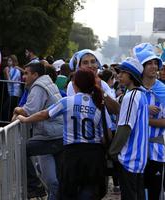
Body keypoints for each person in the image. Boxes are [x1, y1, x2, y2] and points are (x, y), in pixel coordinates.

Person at [17, 68, 112, 200]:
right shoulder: (99, 105)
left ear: (74, 84)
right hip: (93, 156)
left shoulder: (67, 101)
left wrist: (25, 119)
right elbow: (106, 135)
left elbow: (44, 114)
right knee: (89, 192)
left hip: (72, 155)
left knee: (69, 191)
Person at [13, 62, 63, 200]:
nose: (24, 77)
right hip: (59, 134)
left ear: (35, 75)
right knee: (55, 181)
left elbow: (28, 111)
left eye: (26, 73)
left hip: (50, 135)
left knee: (21, 149)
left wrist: (17, 109)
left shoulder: (38, 87)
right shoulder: (48, 83)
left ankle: (34, 186)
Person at [109, 57, 149, 200]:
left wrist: (113, 152)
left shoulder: (131, 96)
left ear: (131, 75)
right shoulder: (141, 95)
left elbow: (125, 127)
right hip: (139, 159)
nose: (119, 76)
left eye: (122, 73)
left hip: (129, 158)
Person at [133, 43, 165, 200]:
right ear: (141, 67)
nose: (154, 67)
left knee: (154, 193)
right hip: (135, 152)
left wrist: (145, 119)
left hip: (156, 151)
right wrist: (144, 111)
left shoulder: (163, 91)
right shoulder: (133, 90)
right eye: (149, 63)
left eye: (155, 63)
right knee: (137, 193)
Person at [67, 49, 120, 114]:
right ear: (79, 67)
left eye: (93, 62)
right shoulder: (72, 85)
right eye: (85, 63)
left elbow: (116, 110)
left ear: (97, 64)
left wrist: (100, 91)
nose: (90, 66)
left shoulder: (102, 84)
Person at [2, 55, 22, 121]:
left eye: (10, 61)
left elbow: (10, 81)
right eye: (8, 60)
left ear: (14, 61)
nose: (8, 62)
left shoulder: (15, 70)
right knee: (10, 110)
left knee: (6, 109)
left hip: (14, 93)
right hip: (11, 93)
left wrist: (7, 73)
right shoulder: (10, 69)